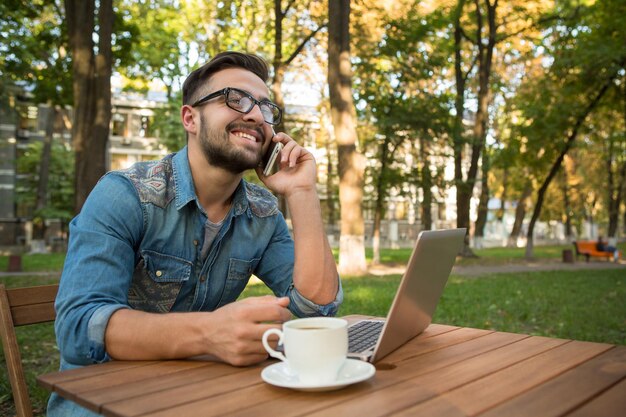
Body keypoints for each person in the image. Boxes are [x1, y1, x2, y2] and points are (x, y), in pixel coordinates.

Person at [48, 52, 343, 416]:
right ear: (191, 117)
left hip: (201, 398)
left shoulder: (262, 212)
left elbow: (317, 308)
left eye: (266, 107)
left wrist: (302, 192)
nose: (255, 114)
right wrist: (209, 333)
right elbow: (79, 329)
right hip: (105, 402)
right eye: (236, 99)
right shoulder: (124, 195)